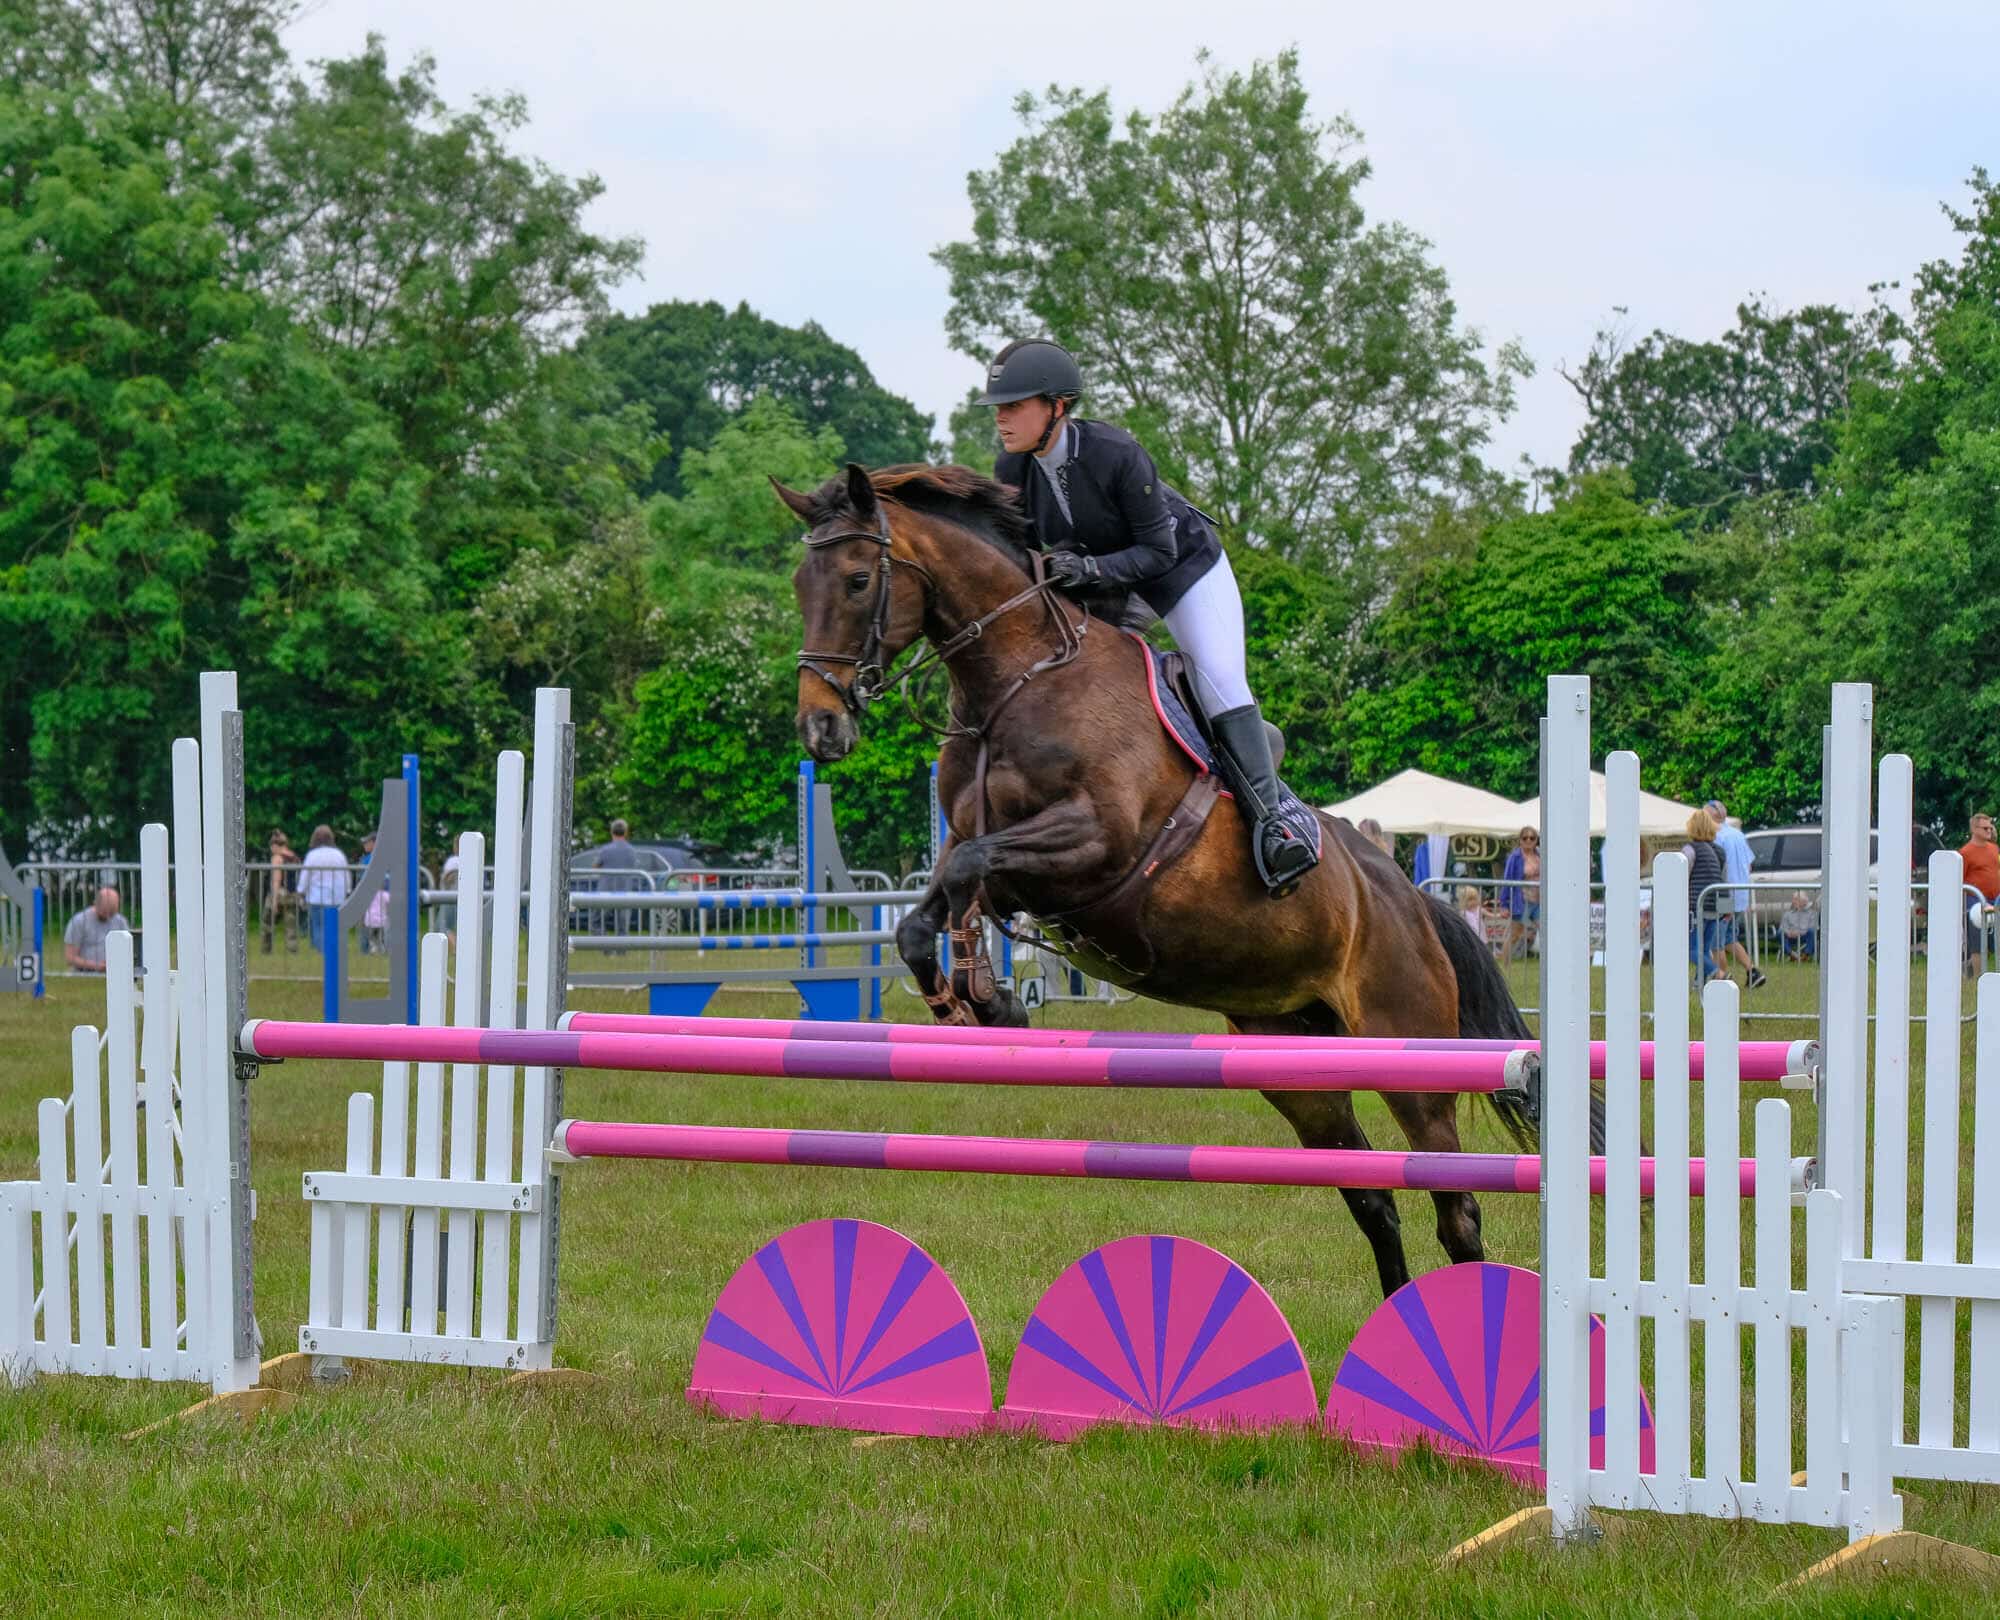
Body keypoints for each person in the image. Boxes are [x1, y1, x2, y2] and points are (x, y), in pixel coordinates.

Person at [980, 338, 1316, 897]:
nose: (1001, 417)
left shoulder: (1115, 452)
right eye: (999, 406)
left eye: (1015, 405)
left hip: (1181, 568)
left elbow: (1156, 553)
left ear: (1057, 407)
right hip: (1107, 584)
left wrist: (1083, 568)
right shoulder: (1012, 468)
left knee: (1217, 676)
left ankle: (1275, 824)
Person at [1705, 799, 1767, 990]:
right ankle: (1752, 971)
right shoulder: (1738, 834)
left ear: (1711, 816)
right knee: (1730, 938)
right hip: (1741, 894)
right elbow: (1748, 864)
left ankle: (1721, 981)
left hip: (1724, 895)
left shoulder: (1716, 837)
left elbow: (1717, 868)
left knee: (1717, 942)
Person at [1684, 809, 1729, 985]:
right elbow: (1724, 881)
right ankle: (1701, 984)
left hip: (1697, 906)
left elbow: (1682, 878)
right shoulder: (1719, 852)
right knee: (1703, 948)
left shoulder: (1690, 850)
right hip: (1715, 906)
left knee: (1691, 949)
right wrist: (1726, 908)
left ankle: (1718, 973)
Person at [299, 825, 351, 953]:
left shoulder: (312, 855)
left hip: (317, 897)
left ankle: (320, 952)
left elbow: (305, 876)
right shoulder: (339, 855)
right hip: (336, 897)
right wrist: (348, 891)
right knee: (333, 926)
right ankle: (334, 950)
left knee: (318, 926)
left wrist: (301, 891)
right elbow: (346, 875)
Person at [1959, 810, 1998, 975]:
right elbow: (1959, 881)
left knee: (1994, 939)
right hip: (1975, 902)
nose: (1989, 831)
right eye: (1985, 828)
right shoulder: (1965, 853)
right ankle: (1977, 977)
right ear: (1974, 829)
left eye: (1990, 828)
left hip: (1994, 900)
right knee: (1977, 941)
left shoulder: (1994, 848)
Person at [63, 886, 131, 974]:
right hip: (84, 973)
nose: (108, 917)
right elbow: (70, 958)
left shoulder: (121, 921)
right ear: (95, 904)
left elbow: (129, 950)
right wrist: (97, 966)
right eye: (105, 913)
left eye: (112, 914)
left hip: (116, 972)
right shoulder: (78, 921)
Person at [1500, 828, 1541, 963]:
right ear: (1520, 840)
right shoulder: (1515, 857)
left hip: (1539, 901)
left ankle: (1551, 965)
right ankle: (1504, 963)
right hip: (1522, 901)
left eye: (1532, 838)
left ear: (1536, 840)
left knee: (1547, 930)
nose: (1528, 840)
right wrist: (1504, 905)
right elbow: (1507, 880)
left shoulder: (1540, 854)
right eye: (1525, 838)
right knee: (1514, 935)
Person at [262, 829, 303, 954]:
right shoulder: (294, 857)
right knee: (291, 926)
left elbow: (276, 879)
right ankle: (292, 951)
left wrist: (274, 901)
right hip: (292, 895)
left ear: (275, 845)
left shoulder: (277, 858)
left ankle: (265, 950)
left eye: (271, 846)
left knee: (267, 923)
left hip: (279, 894)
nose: (271, 849)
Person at [1780, 890, 1819, 962]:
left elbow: (1814, 928)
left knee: (1812, 932)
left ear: (1805, 901)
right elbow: (1783, 927)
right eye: (1794, 899)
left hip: (1804, 936)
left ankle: (1805, 956)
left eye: (1797, 899)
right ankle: (1792, 954)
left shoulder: (1812, 914)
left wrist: (1800, 932)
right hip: (1791, 936)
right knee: (1780, 933)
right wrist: (1788, 932)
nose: (1794, 901)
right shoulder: (1787, 914)